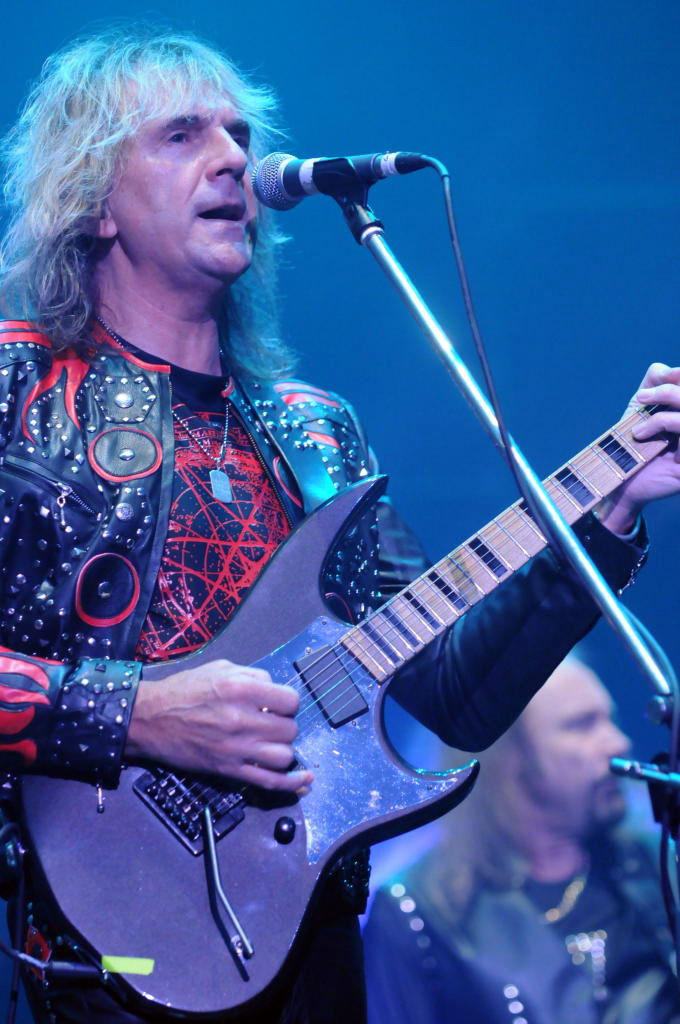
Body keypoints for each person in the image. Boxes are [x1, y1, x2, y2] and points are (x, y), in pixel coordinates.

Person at [0, 23, 678, 1024]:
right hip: (103, 948)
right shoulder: (17, 388)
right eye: (182, 135)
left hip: (306, 928)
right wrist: (142, 712)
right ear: (91, 198)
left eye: (239, 134)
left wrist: (604, 514)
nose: (233, 158)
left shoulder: (316, 431)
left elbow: (445, 692)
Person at [363, 657, 680, 1024]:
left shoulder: (656, 862)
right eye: (582, 725)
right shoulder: (417, 912)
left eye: (610, 719)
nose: (618, 742)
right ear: (511, 756)